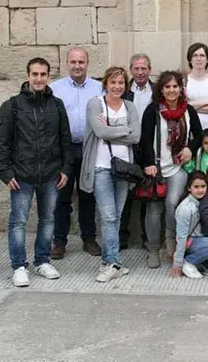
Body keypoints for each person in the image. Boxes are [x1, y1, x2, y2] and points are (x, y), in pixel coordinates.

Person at [0, 58, 73, 288]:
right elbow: (2, 143)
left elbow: (65, 140)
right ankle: (19, 266)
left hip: (50, 174)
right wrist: (5, 173)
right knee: (18, 221)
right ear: (28, 75)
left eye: (43, 74)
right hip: (21, 176)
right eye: (35, 74)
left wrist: (66, 169)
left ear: (49, 76)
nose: (39, 79)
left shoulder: (56, 105)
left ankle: (42, 260)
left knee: (48, 219)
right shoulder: (12, 106)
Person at [80, 66, 141, 282]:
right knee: (108, 216)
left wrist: (113, 129)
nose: (117, 87)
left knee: (117, 216)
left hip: (123, 169)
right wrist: (124, 128)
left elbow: (136, 137)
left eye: (121, 83)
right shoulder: (96, 103)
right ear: (106, 83)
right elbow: (100, 132)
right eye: (113, 82)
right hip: (101, 167)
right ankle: (110, 263)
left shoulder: (130, 106)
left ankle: (113, 262)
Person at [140, 70, 203, 266]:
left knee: (172, 203)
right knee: (153, 209)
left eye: (175, 86)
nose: (171, 90)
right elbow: (145, 140)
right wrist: (149, 163)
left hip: (177, 167)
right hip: (156, 168)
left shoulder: (188, 111)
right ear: (161, 89)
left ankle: (171, 241)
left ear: (180, 89)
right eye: (167, 87)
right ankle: (153, 249)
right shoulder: (153, 110)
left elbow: (199, 135)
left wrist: (189, 149)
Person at [50, 47, 103, 260]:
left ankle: (88, 238)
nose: (77, 66)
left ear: (87, 63)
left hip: (90, 147)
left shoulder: (99, 88)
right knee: (61, 196)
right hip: (64, 150)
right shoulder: (55, 89)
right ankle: (59, 241)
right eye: (73, 62)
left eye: (81, 62)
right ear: (67, 63)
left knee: (87, 195)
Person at [119, 53, 153, 251]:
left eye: (144, 68)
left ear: (149, 69)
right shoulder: (123, 90)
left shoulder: (157, 91)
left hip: (148, 147)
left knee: (149, 193)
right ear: (131, 70)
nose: (140, 72)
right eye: (136, 68)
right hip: (127, 146)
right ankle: (122, 235)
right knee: (125, 192)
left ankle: (147, 236)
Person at [172, 172, 208, 279]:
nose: (200, 190)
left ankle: (203, 259)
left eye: (203, 186)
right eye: (196, 187)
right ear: (189, 188)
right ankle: (189, 262)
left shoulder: (206, 199)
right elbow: (181, 237)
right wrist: (178, 262)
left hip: (205, 235)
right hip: (192, 240)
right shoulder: (185, 208)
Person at [185, 43, 208, 130]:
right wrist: (206, 103)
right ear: (190, 59)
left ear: (207, 59)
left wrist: (191, 106)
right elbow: (181, 106)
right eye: (195, 55)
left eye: (202, 55)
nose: (198, 59)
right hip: (188, 131)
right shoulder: (184, 81)